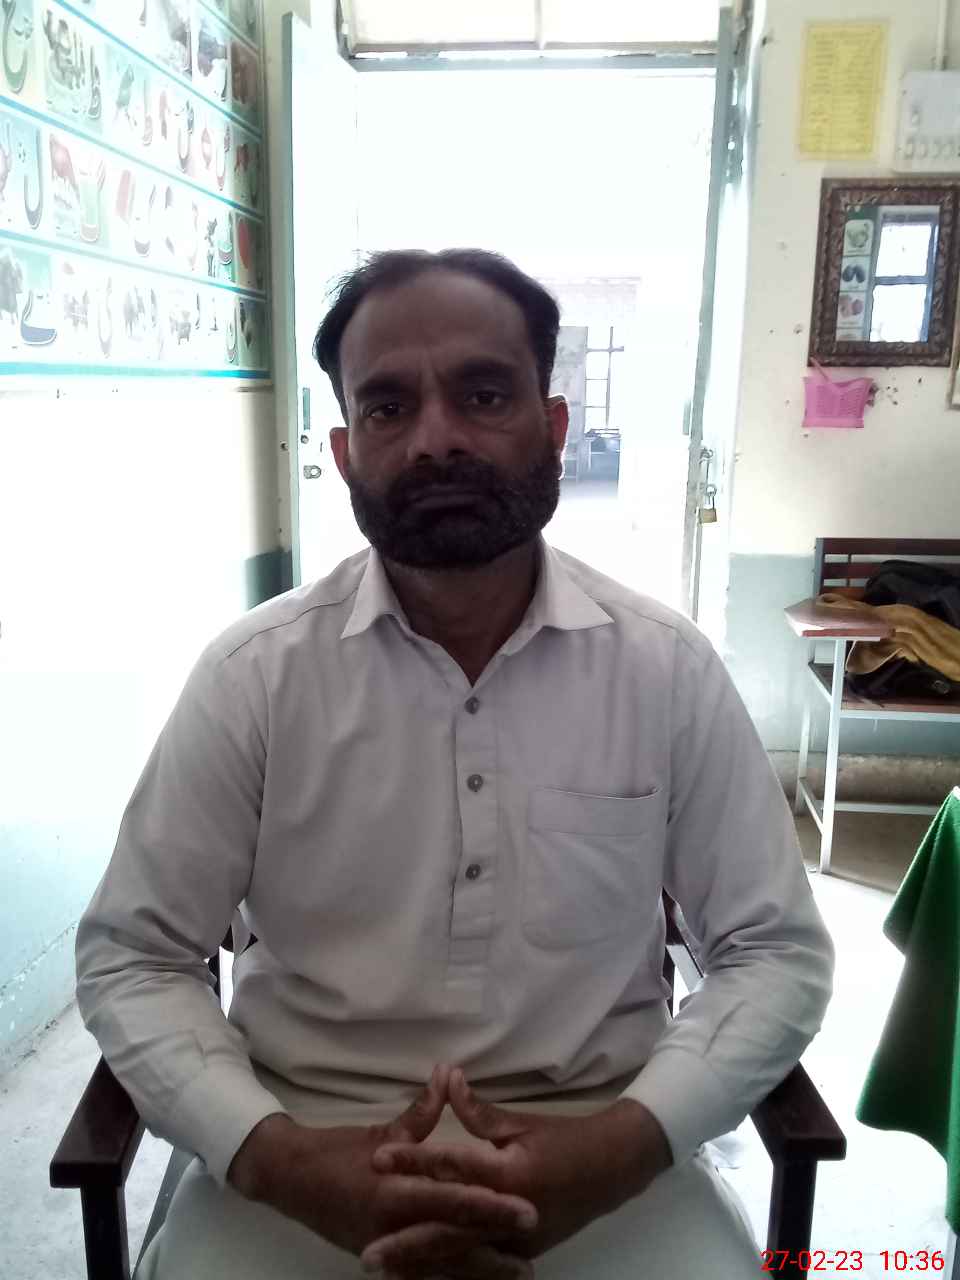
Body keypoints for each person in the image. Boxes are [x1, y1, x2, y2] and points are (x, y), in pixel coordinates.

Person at [76, 249, 834, 1280]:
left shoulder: (663, 670)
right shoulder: (254, 677)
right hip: (301, 1148)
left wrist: (623, 1146)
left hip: (604, 1150)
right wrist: (275, 1157)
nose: (436, 438)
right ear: (345, 452)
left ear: (554, 428)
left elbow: (775, 949)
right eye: (388, 407)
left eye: (483, 394)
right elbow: (133, 953)